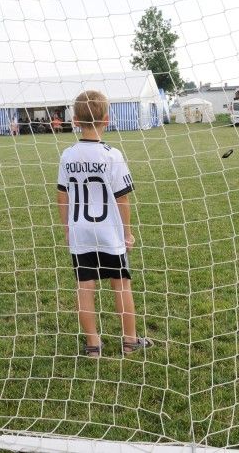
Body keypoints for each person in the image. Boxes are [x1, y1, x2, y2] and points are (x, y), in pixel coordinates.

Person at [56, 90, 153, 358]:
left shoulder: (67, 155)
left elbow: (61, 195)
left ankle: (93, 345)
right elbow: (123, 199)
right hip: (108, 232)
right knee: (120, 283)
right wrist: (128, 233)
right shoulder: (113, 155)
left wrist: (67, 229)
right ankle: (130, 341)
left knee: (84, 286)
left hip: (80, 231)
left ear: (75, 120)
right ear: (107, 119)